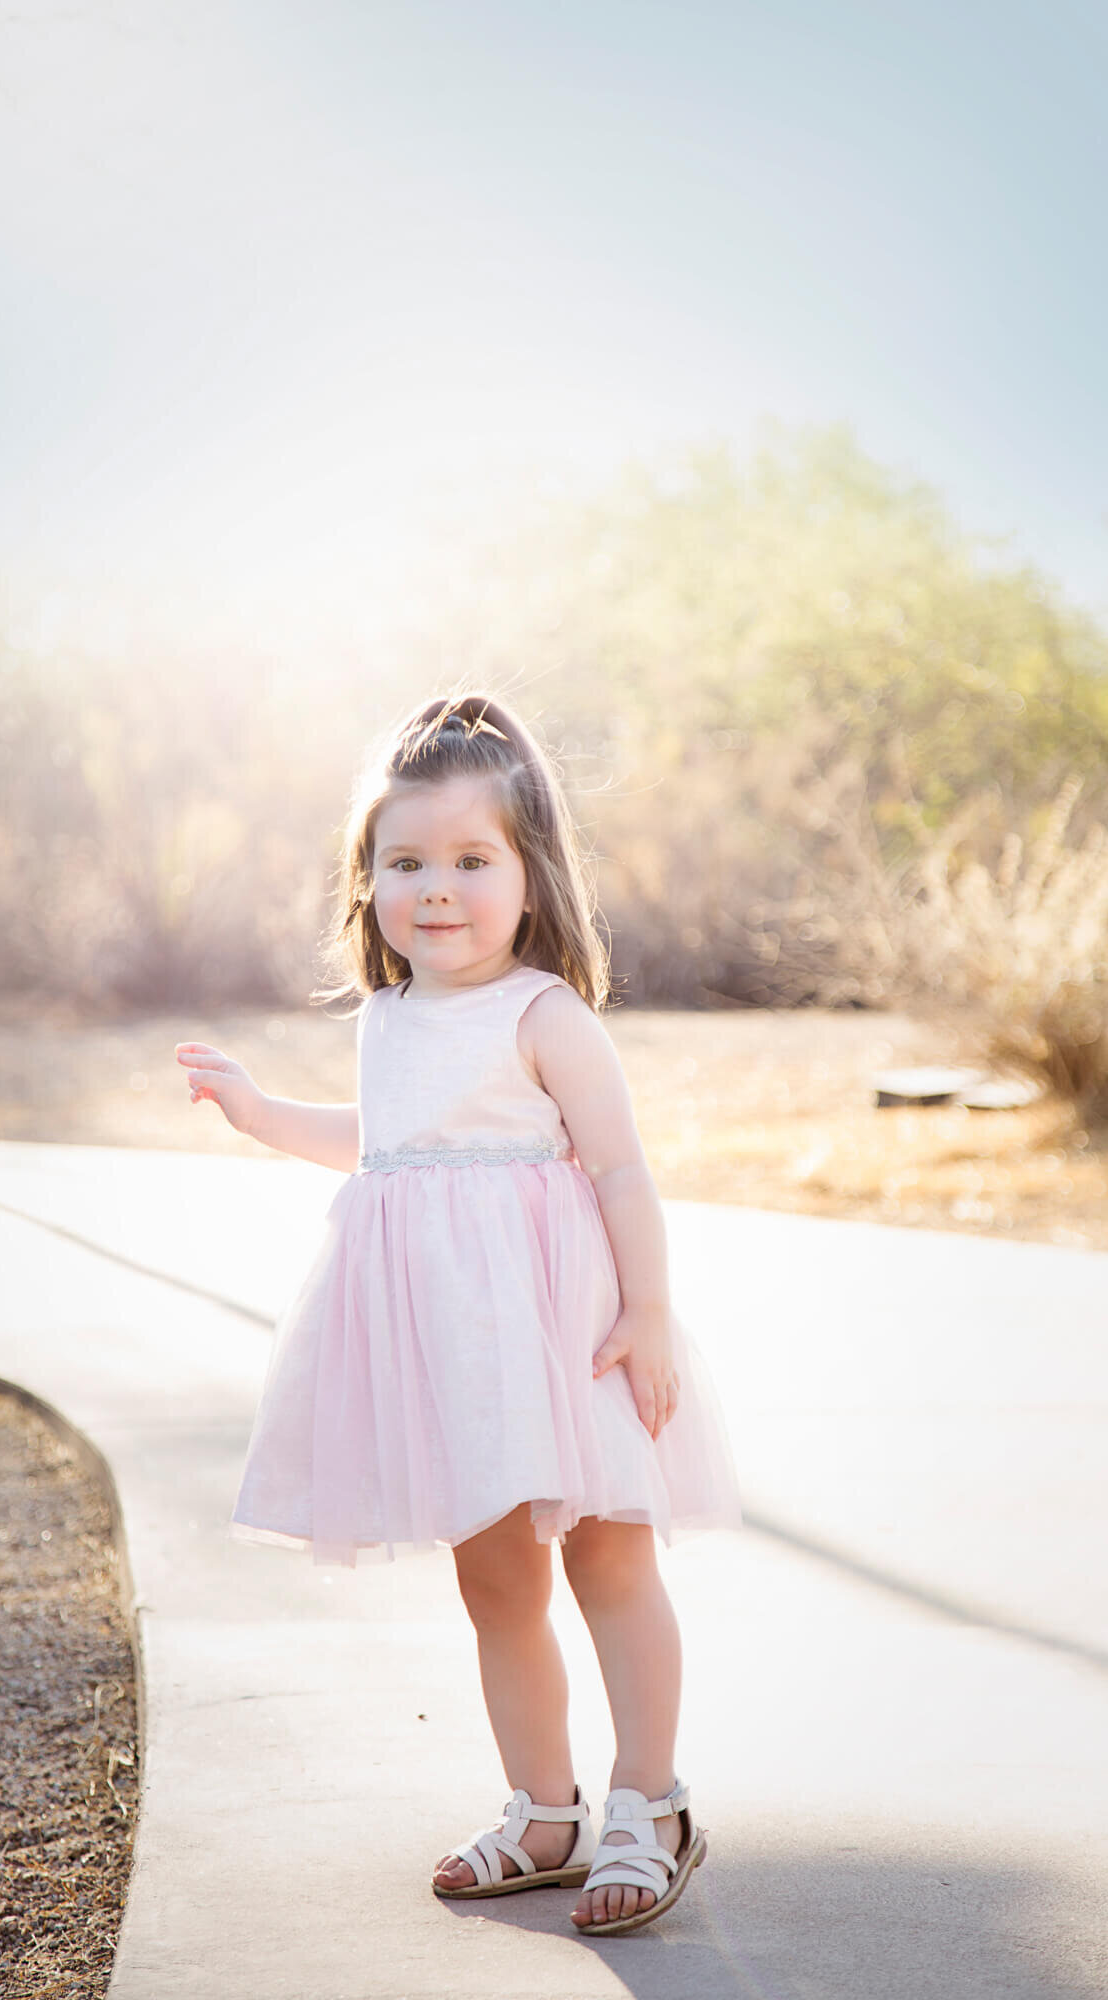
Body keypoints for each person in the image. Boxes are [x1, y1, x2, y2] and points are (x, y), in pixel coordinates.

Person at [174, 691, 743, 1937]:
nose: (437, 888)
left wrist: (650, 1310)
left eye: (472, 860)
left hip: (569, 1328)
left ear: (532, 878)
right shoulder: (387, 1019)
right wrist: (264, 1111)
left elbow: (622, 1170)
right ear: (366, 880)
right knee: (495, 1583)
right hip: (454, 1354)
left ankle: (653, 1802)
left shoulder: (545, 1014)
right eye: (406, 861)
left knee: (607, 1553)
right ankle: (545, 1811)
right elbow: (384, 1146)